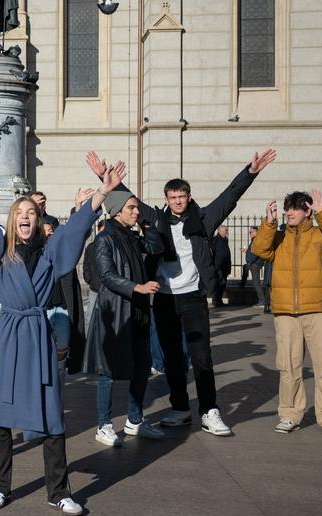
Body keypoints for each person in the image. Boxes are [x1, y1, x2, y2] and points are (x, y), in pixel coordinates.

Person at [0, 151, 122, 516]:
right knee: (1, 416)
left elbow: (75, 231)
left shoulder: (51, 252)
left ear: (38, 220)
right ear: (12, 220)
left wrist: (100, 195)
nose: (25, 218)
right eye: (19, 213)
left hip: (38, 335)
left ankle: (59, 491)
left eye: (31, 213)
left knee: (52, 414)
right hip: (7, 336)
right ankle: (0, 487)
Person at [95, 148, 277, 437]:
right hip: (164, 298)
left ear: (188, 197)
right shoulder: (156, 219)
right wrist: (106, 180)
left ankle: (209, 411)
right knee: (172, 359)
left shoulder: (203, 219)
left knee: (201, 356)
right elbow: (132, 202)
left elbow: (230, 197)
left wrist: (250, 171)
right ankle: (180, 408)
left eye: (182, 197)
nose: (178, 202)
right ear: (167, 200)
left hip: (193, 296)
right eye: (173, 198)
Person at [251, 190, 322, 440]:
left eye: (295, 208)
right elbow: (259, 250)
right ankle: (290, 414)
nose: (289, 213)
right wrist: (269, 223)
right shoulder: (278, 237)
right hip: (285, 312)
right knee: (288, 366)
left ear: (307, 212)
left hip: (319, 310)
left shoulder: (319, 236)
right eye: (287, 208)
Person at [82, 190, 165, 446]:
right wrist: (136, 287)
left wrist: (148, 227)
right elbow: (106, 275)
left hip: (138, 311)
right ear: (117, 210)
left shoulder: (133, 236)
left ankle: (135, 420)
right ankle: (104, 425)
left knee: (141, 368)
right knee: (107, 372)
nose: (136, 211)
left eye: (136, 208)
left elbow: (156, 249)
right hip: (115, 312)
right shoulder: (105, 239)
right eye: (131, 208)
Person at [240, 227, 269, 311]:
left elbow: (256, 252)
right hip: (253, 263)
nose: (250, 234)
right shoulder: (254, 240)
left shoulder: (257, 240)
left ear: (256, 232)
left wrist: (250, 261)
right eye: (249, 232)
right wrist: (247, 251)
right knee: (245, 268)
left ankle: (262, 301)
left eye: (251, 232)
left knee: (256, 283)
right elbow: (253, 251)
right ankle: (242, 285)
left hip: (254, 264)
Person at [211, 226, 232, 308]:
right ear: (219, 231)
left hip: (225, 266)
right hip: (218, 266)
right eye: (224, 230)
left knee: (223, 284)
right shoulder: (215, 239)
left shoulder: (225, 240)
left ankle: (219, 300)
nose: (226, 232)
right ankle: (215, 300)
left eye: (226, 230)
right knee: (219, 283)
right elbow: (213, 252)